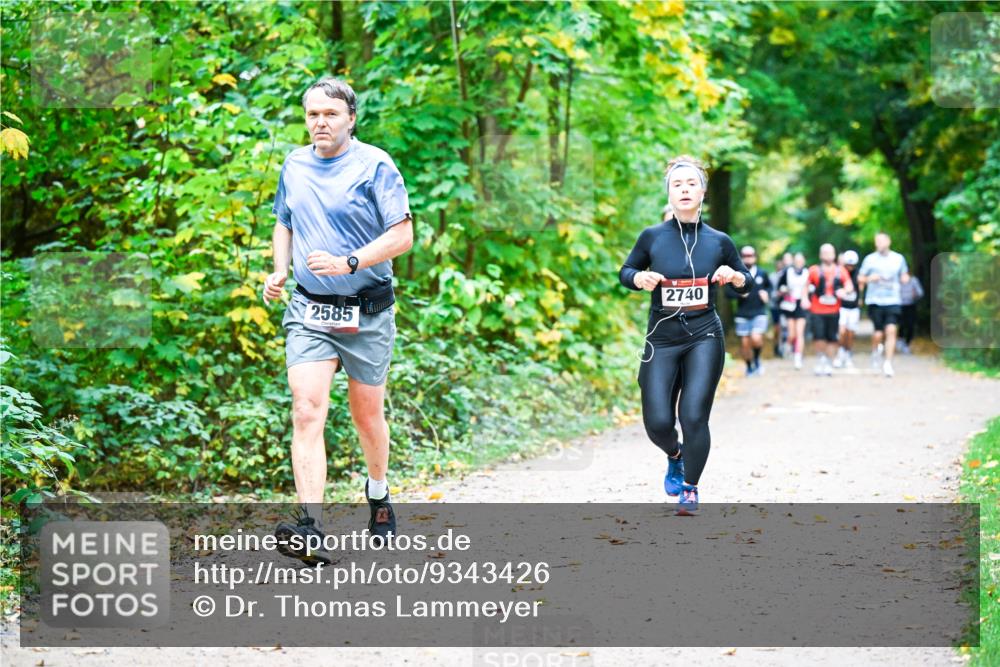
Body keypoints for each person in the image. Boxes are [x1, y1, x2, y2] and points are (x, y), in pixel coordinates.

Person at [262, 78, 414, 563]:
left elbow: (403, 235)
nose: (320, 123)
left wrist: (351, 261)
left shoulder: (376, 165)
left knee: (366, 415)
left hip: (367, 309)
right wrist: (280, 270)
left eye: (330, 114)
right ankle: (311, 526)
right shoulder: (295, 163)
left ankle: (377, 491)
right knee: (307, 409)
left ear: (350, 118)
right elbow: (284, 219)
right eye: (312, 115)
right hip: (309, 309)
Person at [620, 155, 752, 515]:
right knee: (658, 422)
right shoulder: (652, 237)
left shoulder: (719, 241)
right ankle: (675, 455)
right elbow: (626, 270)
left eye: (691, 184)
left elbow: (746, 284)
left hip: (704, 336)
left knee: (694, 415)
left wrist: (736, 277)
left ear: (703, 192)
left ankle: (690, 488)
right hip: (662, 338)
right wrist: (638, 278)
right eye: (677, 185)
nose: (684, 189)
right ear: (669, 194)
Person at [857, 232, 910, 377]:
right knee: (878, 333)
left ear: (888, 241)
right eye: (876, 242)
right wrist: (869, 278)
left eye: (881, 241)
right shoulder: (870, 259)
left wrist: (905, 279)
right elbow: (860, 278)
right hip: (875, 300)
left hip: (893, 300)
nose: (879, 244)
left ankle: (888, 363)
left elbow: (904, 275)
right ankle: (875, 352)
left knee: (891, 330)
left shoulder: (898, 259)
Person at [807, 244, 854, 376]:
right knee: (818, 336)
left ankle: (828, 362)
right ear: (821, 255)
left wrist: (844, 291)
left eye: (830, 253)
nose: (828, 255)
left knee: (832, 338)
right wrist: (805, 299)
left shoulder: (841, 270)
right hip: (817, 310)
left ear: (834, 255)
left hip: (834, 310)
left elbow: (849, 286)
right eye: (825, 253)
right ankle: (820, 359)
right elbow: (805, 286)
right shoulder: (814, 270)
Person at [727, 245, 772, 376]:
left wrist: (766, 294)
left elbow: (770, 287)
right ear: (741, 257)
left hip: (759, 312)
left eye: (751, 255)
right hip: (742, 313)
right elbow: (728, 293)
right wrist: (739, 294)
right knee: (745, 343)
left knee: (756, 338)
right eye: (745, 255)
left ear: (755, 257)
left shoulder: (762, 273)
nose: (748, 258)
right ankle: (749, 366)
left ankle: (757, 359)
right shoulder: (736, 274)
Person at [776, 252, 810, 370]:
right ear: (794, 261)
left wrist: (809, 292)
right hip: (789, 305)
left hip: (801, 304)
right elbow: (779, 287)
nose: (799, 263)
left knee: (800, 333)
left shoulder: (807, 273)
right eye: (797, 260)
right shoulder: (787, 272)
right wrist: (783, 290)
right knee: (792, 334)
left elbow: (813, 287)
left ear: (804, 262)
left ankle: (798, 358)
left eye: (801, 261)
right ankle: (787, 345)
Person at [833, 250, 861, 369]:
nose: (850, 267)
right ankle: (840, 353)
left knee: (850, 333)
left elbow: (860, 287)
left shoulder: (858, 274)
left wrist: (861, 298)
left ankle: (848, 353)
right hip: (842, 307)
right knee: (841, 331)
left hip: (853, 308)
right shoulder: (839, 274)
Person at [770, 253, 791, 358]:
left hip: (785, 305)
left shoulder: (786, 275)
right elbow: (770, 291)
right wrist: (776, 294)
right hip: (774, 306)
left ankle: (785, 347)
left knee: (786, 327)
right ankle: (776, 347)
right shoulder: (771, 277)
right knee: (777, 328)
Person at [898, 271, 924, 354]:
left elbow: (920, 293)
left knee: (910, 325)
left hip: (911, 306)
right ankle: (900, 338)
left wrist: (915, 294)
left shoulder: (914, 281)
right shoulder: (897, 280)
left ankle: (907, 344)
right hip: (899, 306)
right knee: (901, 324)